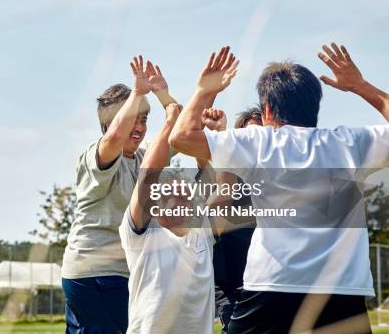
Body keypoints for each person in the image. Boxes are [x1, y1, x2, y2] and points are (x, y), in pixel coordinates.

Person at [168, 44, 388, 333]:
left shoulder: (258, 142)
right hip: (342, 288)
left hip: (272, 284)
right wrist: (360, 86)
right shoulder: (350, 143)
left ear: (268, 111)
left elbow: (181, 137)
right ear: (315, 106)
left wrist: (204, 90)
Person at [61, 56, 177, 333]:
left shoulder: (143, 156)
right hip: (93, 275)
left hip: (125, 274)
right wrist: (137, 93)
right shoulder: (95, 156)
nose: (138, 127)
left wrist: (163, 94)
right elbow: (113, 139)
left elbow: (179, 128)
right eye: (131, 119)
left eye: (144, 119)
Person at [119, 102, 216, 334]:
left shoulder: (201, 232)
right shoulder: (143, 235)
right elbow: (148, 174)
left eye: (185, 190)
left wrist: (203, 123)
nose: (183, 194)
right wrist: (171, 121)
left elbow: (212, 180)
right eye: (172, 191)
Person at [201, 106, 262, 334]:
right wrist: (219, 134)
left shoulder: (280, 180)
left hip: (269, 286)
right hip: (232, 290)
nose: (254, 141)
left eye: (261, 134)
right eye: (248, 135)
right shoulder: (226, 177)